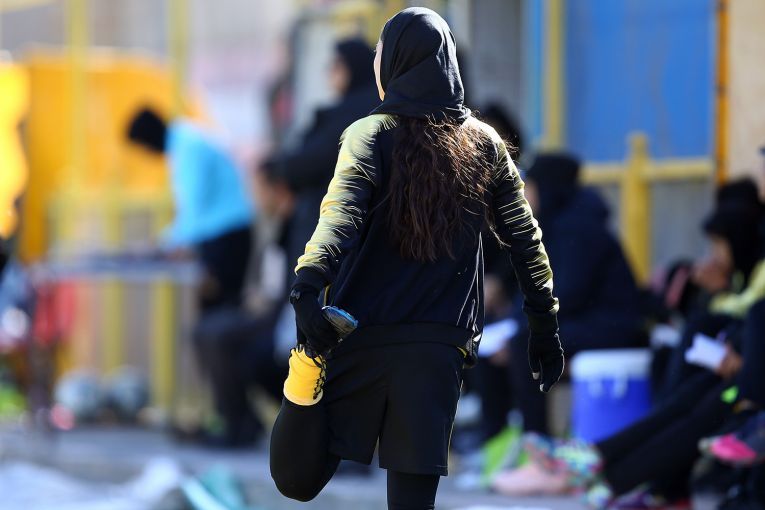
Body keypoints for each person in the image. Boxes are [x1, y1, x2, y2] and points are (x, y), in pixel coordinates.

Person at [268, 8, 564, 509]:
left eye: (381, 52)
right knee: (412, 502)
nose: (377, 63)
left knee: (297, 478)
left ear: (398, 61)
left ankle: (307, 364)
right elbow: (526, 241)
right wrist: (544, 324)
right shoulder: (485, 142)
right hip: (438, 345)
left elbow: (338, 218)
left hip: (362, 331)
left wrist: (306, 288)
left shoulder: (370, 133)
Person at [508, 153, 644, 433]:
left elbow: (567, 294)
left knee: (525, 344)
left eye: (529, 188)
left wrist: (523, 325)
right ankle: (501, 434)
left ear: (548, 189)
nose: (525, 197)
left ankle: (536, 440)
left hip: (612, 326)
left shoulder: (579, 229)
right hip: (588, 320)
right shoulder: (556, 223)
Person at [126, 107, 255, 313]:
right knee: (221, 310)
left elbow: (193, 209)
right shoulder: (185, 141)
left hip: (226, 236)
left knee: (219, 312)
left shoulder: (188, 149)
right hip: (225, 233)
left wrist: (162, 245)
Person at [268, 37, 380, 272]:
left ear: (354, 67)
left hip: (333, 230)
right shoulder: (357, 107)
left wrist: (276, 169)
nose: (330, 71)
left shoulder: (354, 114)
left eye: (337, 64)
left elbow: (309, 162)